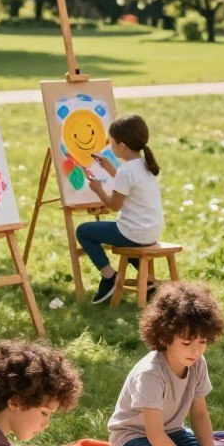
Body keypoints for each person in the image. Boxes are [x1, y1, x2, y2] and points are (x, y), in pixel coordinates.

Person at [71, 282, 224, 446]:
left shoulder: (197, 363)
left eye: (202, 341)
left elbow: (200, 415)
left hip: (173, 432)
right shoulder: (150, 373)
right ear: (165, 337)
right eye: (186, 343)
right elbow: (154, 434)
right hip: (134, 436)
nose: (195, 350)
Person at [76, 114, 163, 305]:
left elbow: (114, 205)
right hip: (151, 231)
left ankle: (109, 277)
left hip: (133, 232)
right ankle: (148, 283)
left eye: (112, 143)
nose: (110, 146)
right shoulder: (145, 165)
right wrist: (110, 169)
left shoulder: (126, 170)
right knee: (131, 243)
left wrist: (98, 189)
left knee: (83, 231)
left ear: (122, 145)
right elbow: (130, 187)